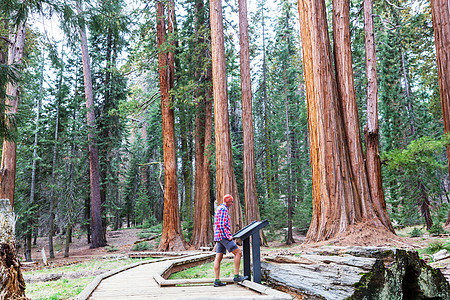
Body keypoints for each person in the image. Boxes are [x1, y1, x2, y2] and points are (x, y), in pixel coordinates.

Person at [213, 194, 248, 287]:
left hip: (218, 237)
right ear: (227, 201)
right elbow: (221, 225)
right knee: (238, 253)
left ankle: (217, 280)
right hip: (223, 236)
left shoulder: (219, 208)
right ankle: (236, 276)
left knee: (218, 257)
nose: (232, 203)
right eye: (231, 202)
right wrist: (228, 236)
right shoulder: (223, 209)